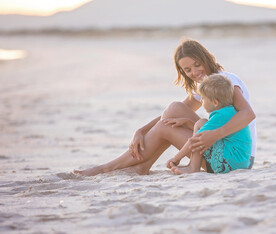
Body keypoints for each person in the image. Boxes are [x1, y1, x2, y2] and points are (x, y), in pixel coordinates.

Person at [74, 39, 256, 176]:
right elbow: (169, 114)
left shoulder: (226, 82)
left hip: (234, 157)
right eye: (187, 70)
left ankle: (108, 167)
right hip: (225, 151)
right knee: (173, 113)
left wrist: (214, 135)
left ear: (205, 58)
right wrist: (141, 130)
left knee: (171, 118)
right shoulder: (207, 87)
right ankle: (141, 166)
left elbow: (248, 114)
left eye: (197, 65)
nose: (194, 72)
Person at [167, 74, 252, 174]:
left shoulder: (220, 115)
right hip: (240, 163)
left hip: (229, 163)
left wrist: (176, 158)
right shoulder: (230, 111)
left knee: (200, 123)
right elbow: (207, 130)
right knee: (200, 124)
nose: (202, 102)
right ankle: (192, 165)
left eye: (203, 98)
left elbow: (194, 140)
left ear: (215, 102)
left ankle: (193, 167)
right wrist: (187, 122)